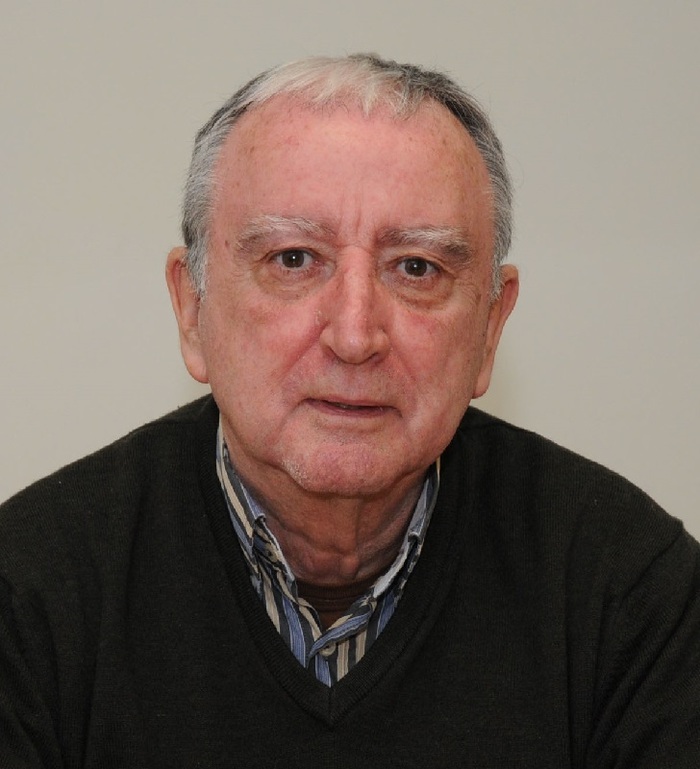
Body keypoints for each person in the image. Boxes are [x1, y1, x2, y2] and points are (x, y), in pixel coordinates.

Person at [1, 54, 698, 768]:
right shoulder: (30, 591)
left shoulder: (629, 590)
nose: (356, 334)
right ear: (192, 308)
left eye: (417, 268)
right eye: (293, 260)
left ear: (490, 327)